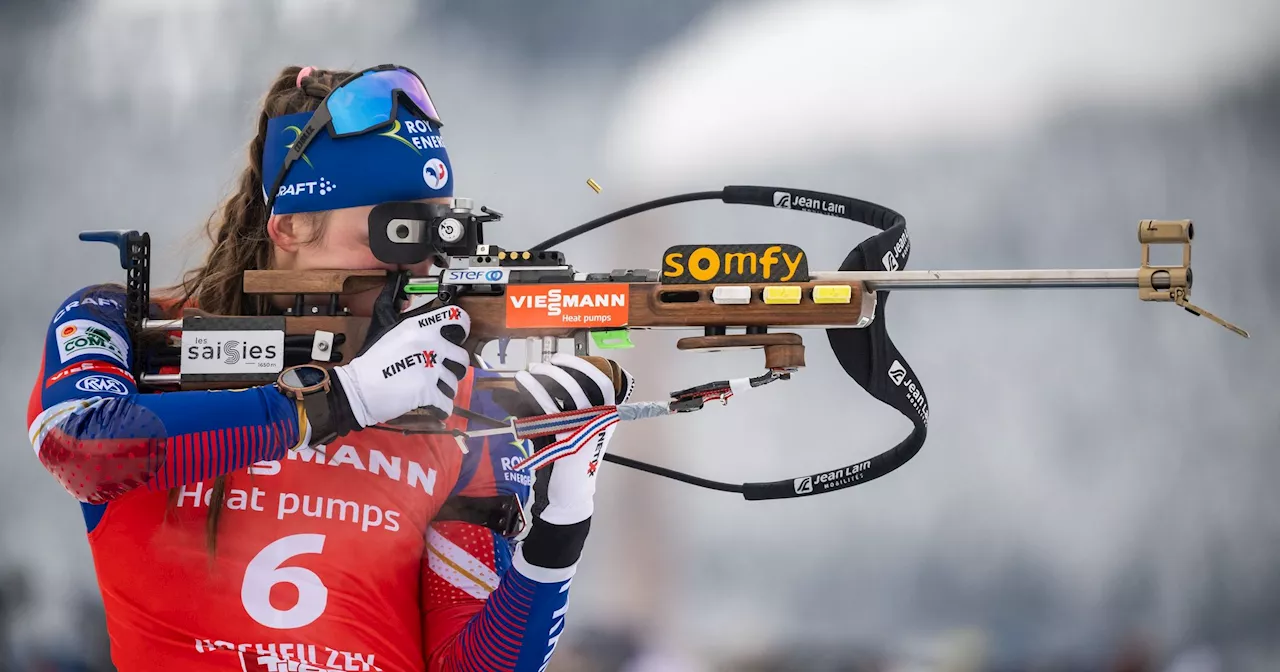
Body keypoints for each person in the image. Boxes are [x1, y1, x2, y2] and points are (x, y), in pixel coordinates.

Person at [26, 64, 633, 672]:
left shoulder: (456, 398)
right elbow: (83, 442)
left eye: (438, 233)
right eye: (396, 231)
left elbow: (476, 666)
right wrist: (342, 400)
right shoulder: (132, 330)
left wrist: (562, 517)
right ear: (289, 225)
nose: (420, 266)